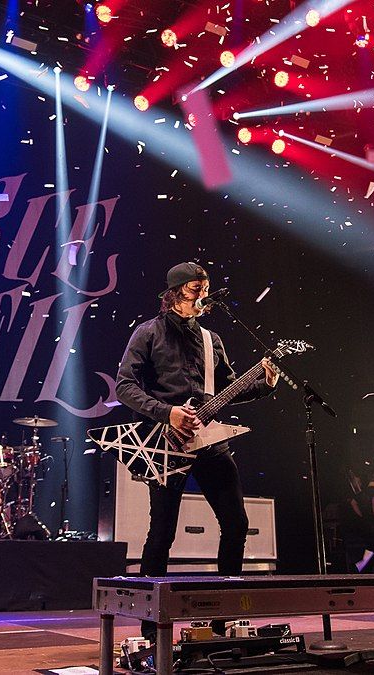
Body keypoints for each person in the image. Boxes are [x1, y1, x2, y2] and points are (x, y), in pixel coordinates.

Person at [115, 261, 278, 639]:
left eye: (204, 290)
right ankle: (152, 629)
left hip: (210, 443)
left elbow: (229, 390)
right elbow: (124, 386)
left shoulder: (211, 339)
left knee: (236, 523)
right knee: (162, 533)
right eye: (194, 291)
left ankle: (223, 618)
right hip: (164, 442)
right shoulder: (147, 333)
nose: (202, 298)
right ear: (173, 294)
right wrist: (167, 412)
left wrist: (265, 382)